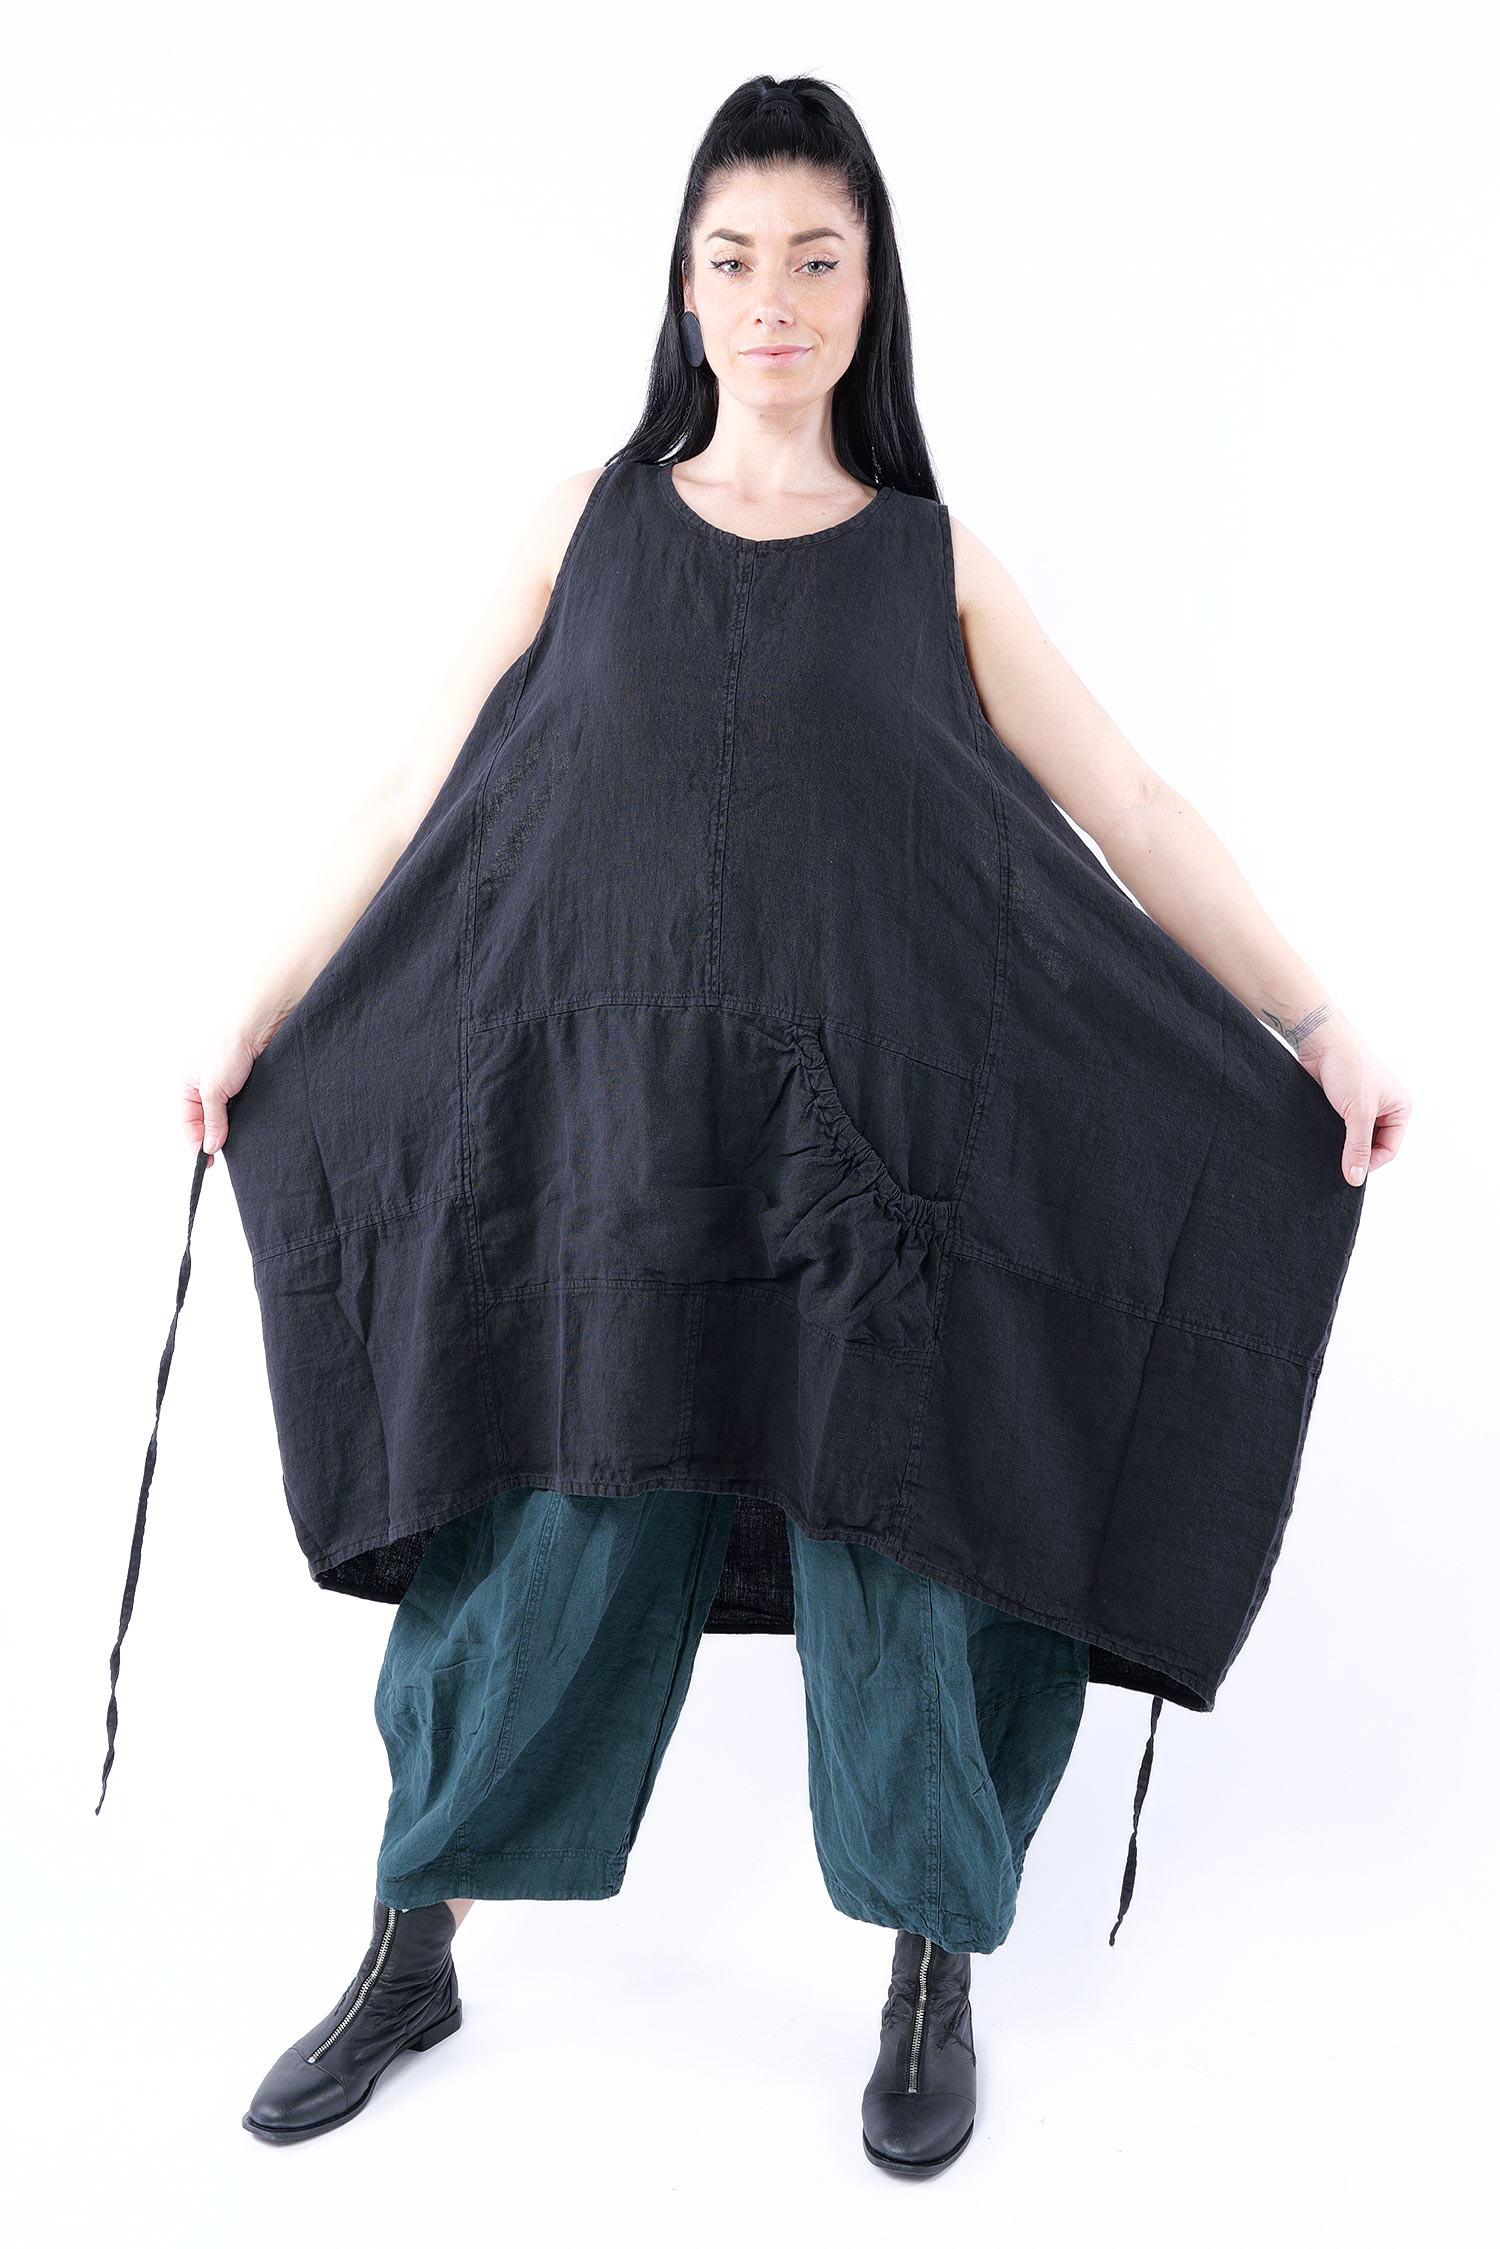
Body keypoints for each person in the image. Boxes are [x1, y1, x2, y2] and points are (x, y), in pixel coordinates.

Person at [102, 76, 1408, 2178]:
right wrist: (249, 1010)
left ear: (870, 289)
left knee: (906, 1548)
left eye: (816, 257)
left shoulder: (929, 562)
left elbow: (1135, 810)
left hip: (871, 1183)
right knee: (547, 1533)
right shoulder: (584, 525)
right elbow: (417, 790)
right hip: (620, 1165)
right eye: (735, 258)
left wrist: (1318, 1023)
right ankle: (414, 1945)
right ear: (685, 287)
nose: (773, 297)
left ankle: (928, 1969)